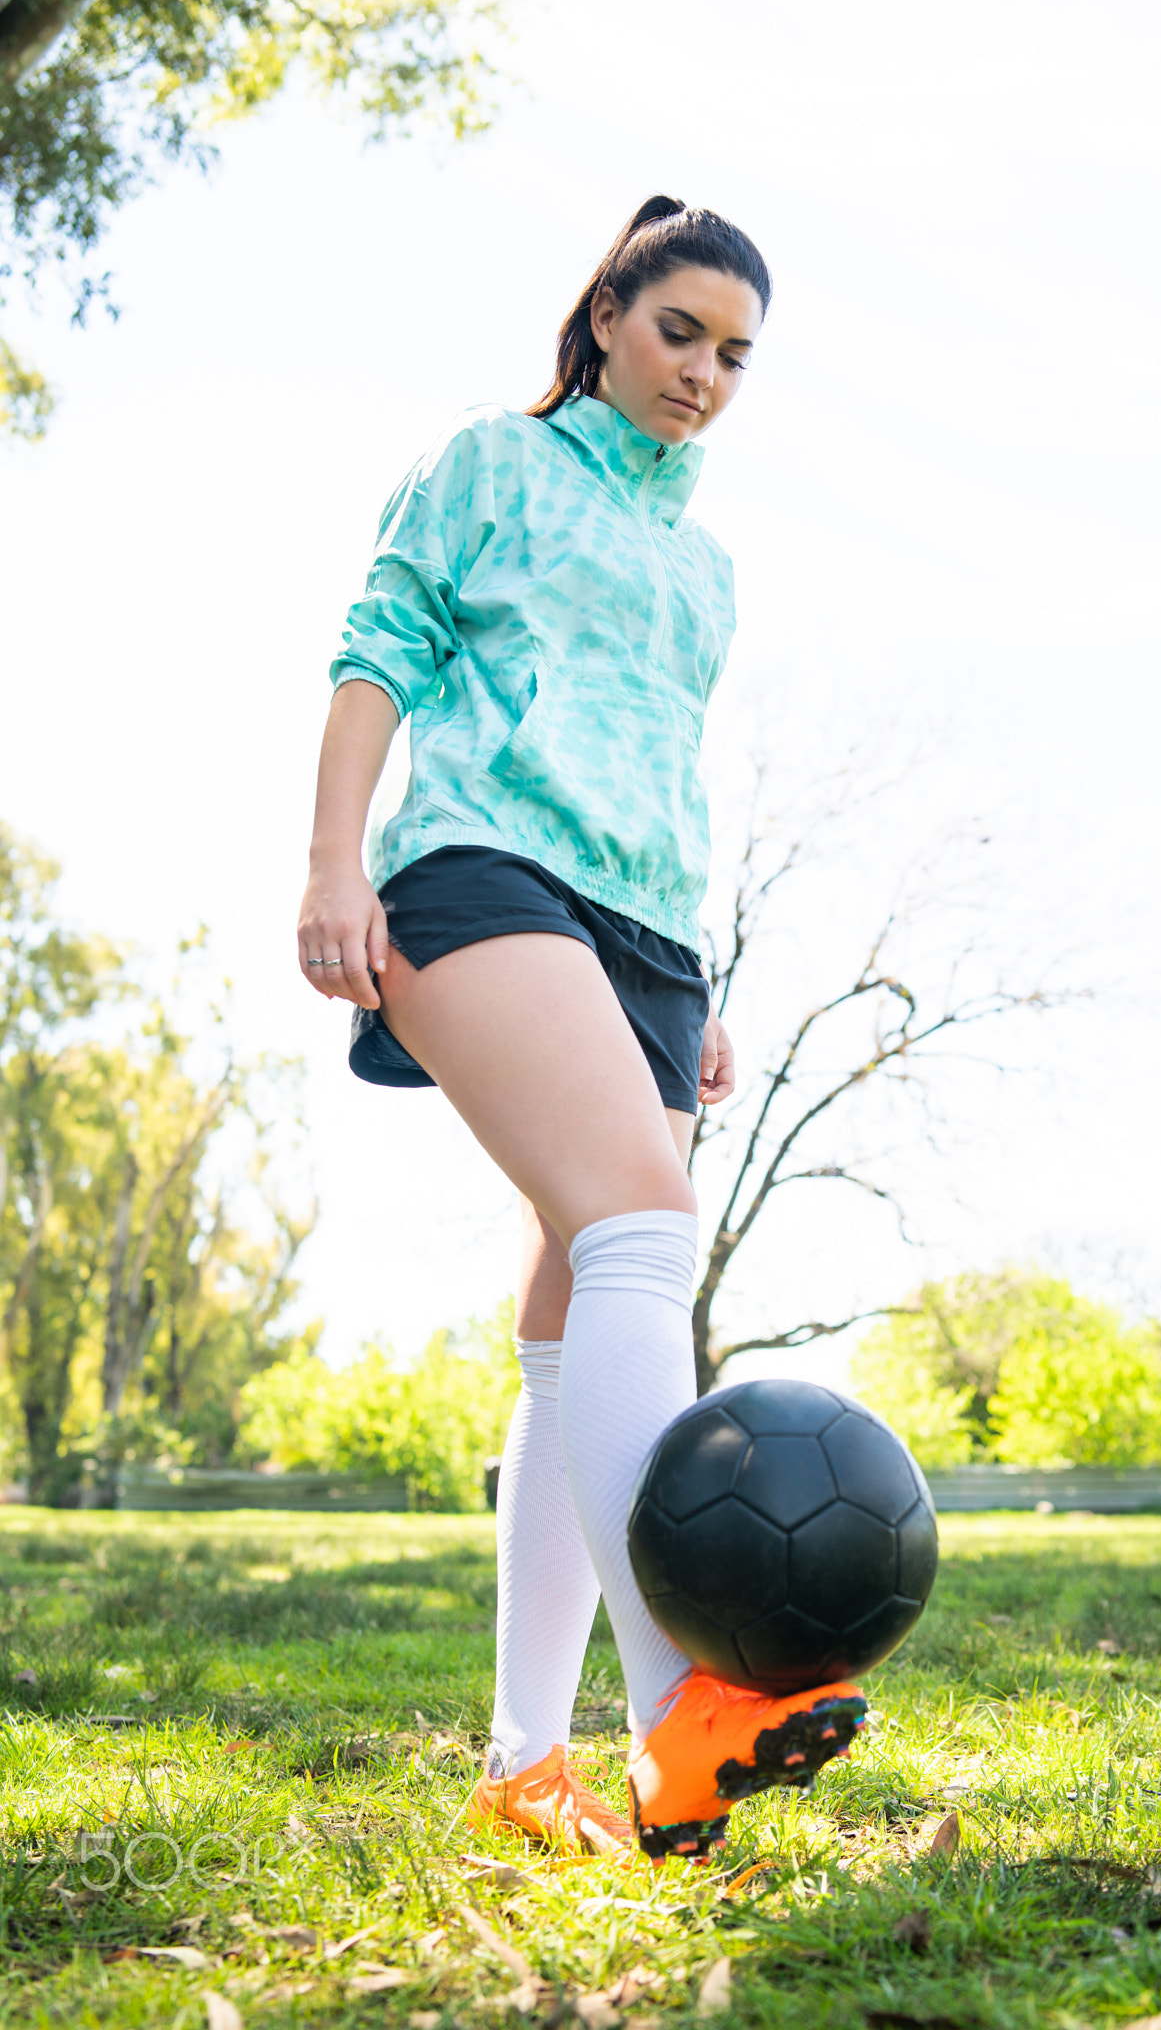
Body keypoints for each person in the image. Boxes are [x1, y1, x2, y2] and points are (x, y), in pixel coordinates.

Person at [296, 197, 866, 1864]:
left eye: (736, 357)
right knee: (638, 1232)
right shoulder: (490, 459)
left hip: (650, 935)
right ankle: (688, 1701)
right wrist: (334, 861)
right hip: (478, 868)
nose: (703, 374)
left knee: (575, 1317)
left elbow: (664, 771)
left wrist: (699, 982)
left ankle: (522, 1764)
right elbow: (376, 646)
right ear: (609, 312)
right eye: (680, 331)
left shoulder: (707, 570)